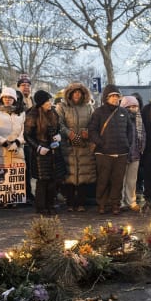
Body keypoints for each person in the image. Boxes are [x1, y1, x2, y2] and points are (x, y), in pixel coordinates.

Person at [87, 84, 135, 215]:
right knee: (103, 180)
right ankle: (102, 204)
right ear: (106, 98)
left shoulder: (124, 112)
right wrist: (101, 143)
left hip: (121, 153)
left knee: (117, 181)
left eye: (117, 96)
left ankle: (115, 204)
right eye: (112, 96)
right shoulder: (98, 112)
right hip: (103, 153)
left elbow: (130, 130)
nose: (115, 99)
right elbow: (92, 130)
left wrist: (127, 143)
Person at [25, 89, 66, 216]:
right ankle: (41, 206)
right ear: (41, 103)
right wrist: (38, 148)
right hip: (41, 152)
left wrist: (58, 136)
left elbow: (58, 127)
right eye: (47, 101)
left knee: (54, 179)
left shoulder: (53, 112)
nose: (50, 103)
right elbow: (27, 135)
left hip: (54, 150)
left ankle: (51, 204)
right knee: (43, 181)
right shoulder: (33, 114)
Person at [57, 82, 96, 212]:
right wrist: (69, 134)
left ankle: (80, 203)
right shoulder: (62, 107)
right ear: (70, 94)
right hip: (68, 145)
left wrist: (88, 132)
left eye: (79, 92)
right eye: (74, 92)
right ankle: (70, 203)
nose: (77, 94)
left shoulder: (89, 107)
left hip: (84, 145)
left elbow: (94, 123)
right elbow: (59, 123)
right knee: (70, 175)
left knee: (83, 175)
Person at [0, 87, 26, 207]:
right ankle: (3, 200)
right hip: (0, 148)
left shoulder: (21, 113)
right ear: (1, 98)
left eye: (10, 98)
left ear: (14, 99)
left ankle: (14, 198)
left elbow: (25, 130)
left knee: (15, 173)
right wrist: (3, 141)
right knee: (2, 174)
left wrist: (18, 141)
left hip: (17, 148)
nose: (7, 100)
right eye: (5, 97)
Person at [120, 95, 146, 211]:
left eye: (135, 106)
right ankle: (120, 201)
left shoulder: (139, 119)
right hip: (123, 153)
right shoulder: (120, 119)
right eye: (129, 106)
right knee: (121, 179)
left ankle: (131, 201)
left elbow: (142, 135)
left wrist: (141, 148)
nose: (133, 108)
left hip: (135, 153)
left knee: (132, 180)